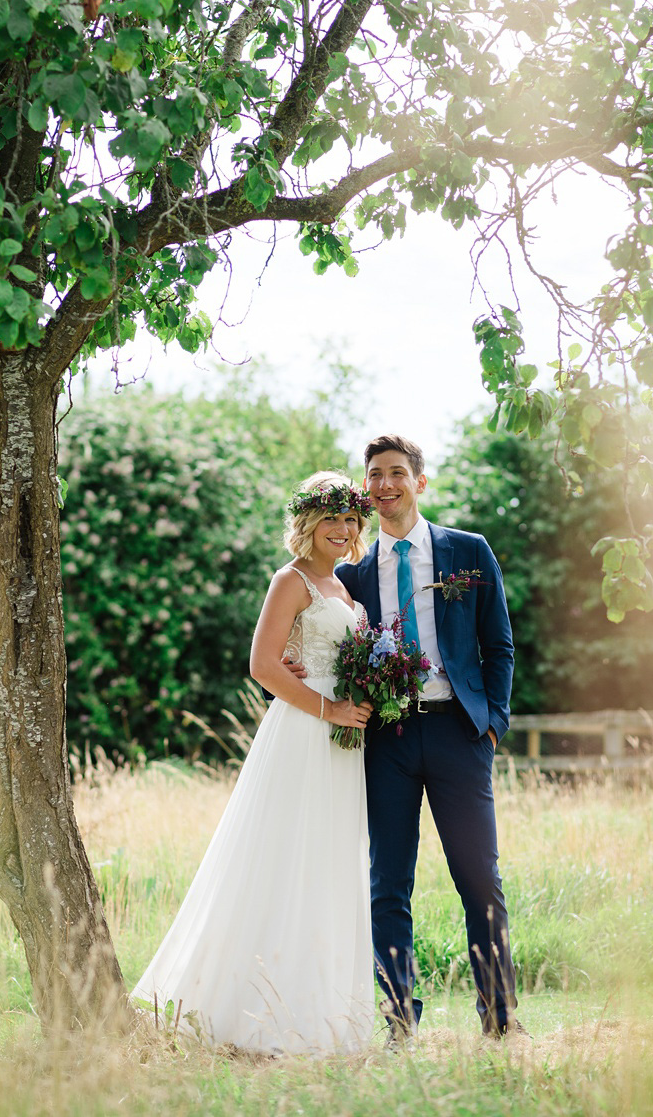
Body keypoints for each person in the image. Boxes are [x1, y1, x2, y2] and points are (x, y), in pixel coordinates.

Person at [131, 472, 376, 1055]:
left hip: (344, 742)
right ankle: (246, 1013)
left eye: (349, 520)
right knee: (282, 858)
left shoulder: (346, 590)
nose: (341, 531)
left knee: (328, 864)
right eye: (331, 519)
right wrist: (330, 708)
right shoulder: (289, 580)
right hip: (305, 732)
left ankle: (321, 1014)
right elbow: (263, 666)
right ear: (308, 524)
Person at [335, 434, 521, 1043]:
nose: (384, 485)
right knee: (389, 882)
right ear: (366, 489)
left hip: (458, 733)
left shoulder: (468, 552)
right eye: (374, 476)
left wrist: (492, 723)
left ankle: (500, 1019)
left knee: (478, 877)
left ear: (420, 482)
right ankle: (398, 1023)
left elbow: (499, 645)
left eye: (395, 473)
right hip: (385, 740)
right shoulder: (351, 574)